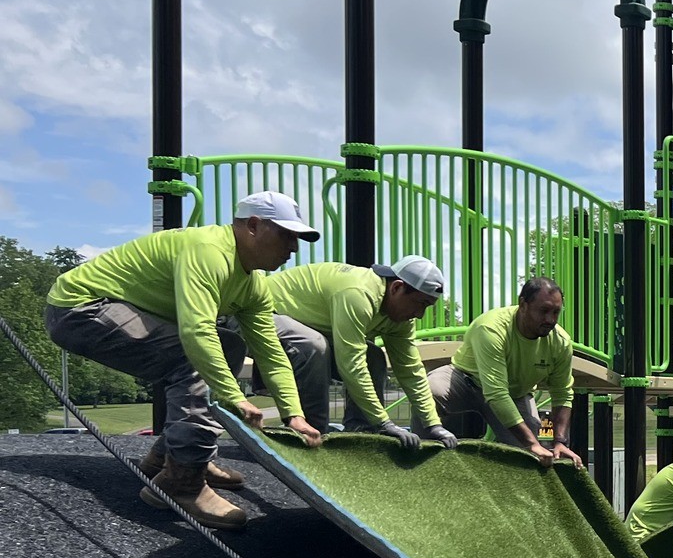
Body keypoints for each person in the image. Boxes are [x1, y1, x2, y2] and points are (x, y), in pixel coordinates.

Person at [44, 190, 325, 528]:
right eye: (286, 235)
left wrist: (293, 414)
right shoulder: (209, 251)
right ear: (252, 225)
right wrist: (234, 397)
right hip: (81, 307)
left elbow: (270, 352)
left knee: (230, 346)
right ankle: (182, 482)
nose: (294, 248)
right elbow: (196, 332)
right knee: (192, 358)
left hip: (116, 307)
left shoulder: (253, 284)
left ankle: (167, 456)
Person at [267, 254, 460, 450]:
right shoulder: (358, 294)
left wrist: (433, 424)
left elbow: (410, 371)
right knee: (314, 346)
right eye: (421, 303)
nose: (420, 314)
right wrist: (384, 422)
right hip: (260, 312)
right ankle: (312, 433)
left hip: (303, 324)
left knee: (373, 357)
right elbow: (352, 366)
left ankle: (363, 432)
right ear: (397, 287)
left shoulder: (401, 319)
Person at [428, 276, 582, 467]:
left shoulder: (560, 342)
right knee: (430, 390)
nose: (550, 319)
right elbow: (496, 393)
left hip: (514, 395)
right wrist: (531, 443)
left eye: (556, 312)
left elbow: (563, 394)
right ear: (523, 304)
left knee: (537, 458)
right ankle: (421, 454)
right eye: (543, 311)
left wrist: (559, 442)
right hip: (466, 382)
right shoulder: (491, 328)